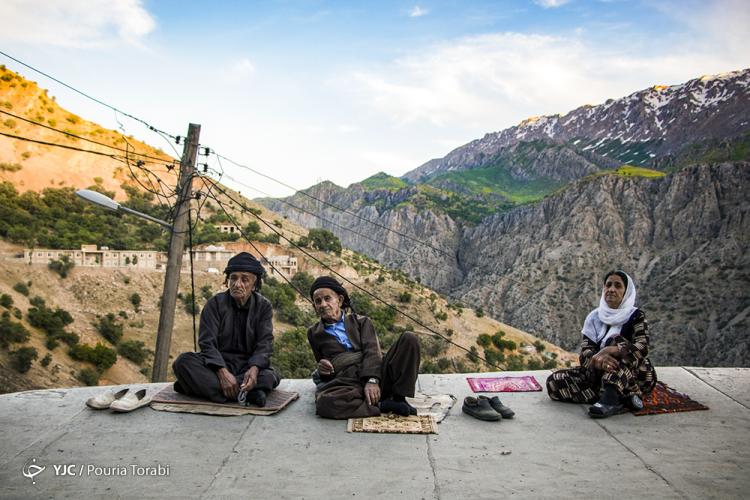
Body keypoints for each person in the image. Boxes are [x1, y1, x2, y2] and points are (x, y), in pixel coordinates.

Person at [172, 252, 280, 406]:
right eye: (233, 278)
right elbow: (207, 343)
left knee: (271, 375)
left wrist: (254, 368)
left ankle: (200, 388)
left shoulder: (263, 306)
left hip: (246, 366)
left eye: (244, 279)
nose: (237, 284)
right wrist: (222, 373)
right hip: (216, 365)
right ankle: (247, 394)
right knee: (183, 362)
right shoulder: (214, 304)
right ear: (228, 280)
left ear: (254, 284)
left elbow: (265, 343)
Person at [307, 276, 421, 419]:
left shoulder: (361, 321)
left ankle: (398, 397)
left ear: (340, 300)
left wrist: (373, 380)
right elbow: (326, 370)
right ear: (314, 307)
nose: (323, 304)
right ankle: (383, 405)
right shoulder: (314, 333)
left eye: (327, 298)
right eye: (318, 301)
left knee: (409, 339)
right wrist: (323, 370)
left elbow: (372, 351)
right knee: (325, 403)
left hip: (377, 374)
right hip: (348, 383)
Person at [546, 271, 656, 418]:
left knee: (615, 340)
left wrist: (611, 350)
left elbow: (643, 347)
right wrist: (599, 361)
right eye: (608, 285)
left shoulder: (636, 316)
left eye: (618, 286)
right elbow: (585, 355)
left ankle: (609, 400)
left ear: (626, 292)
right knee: (554, 382)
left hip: (637, 373)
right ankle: (624, 396)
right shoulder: (594, 317)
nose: (611, 289)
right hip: (600, 374)